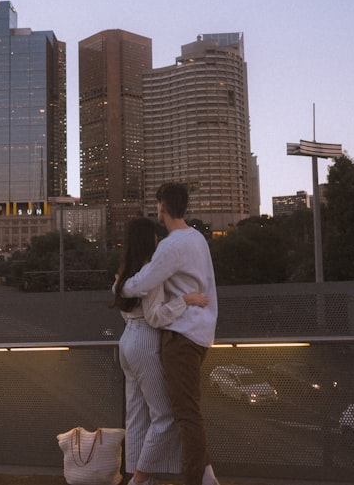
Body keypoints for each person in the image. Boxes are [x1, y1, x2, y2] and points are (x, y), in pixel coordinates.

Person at [121, 183, 220, 485]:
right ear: (185, 207)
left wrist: (120, 286)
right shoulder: (198, 240)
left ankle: (192, 479)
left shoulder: (170, 246)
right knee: (181, 412)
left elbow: (139, 285)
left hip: (180, 335)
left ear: (161, 207)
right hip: (200, 331)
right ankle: (206, 478)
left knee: (182, 415)